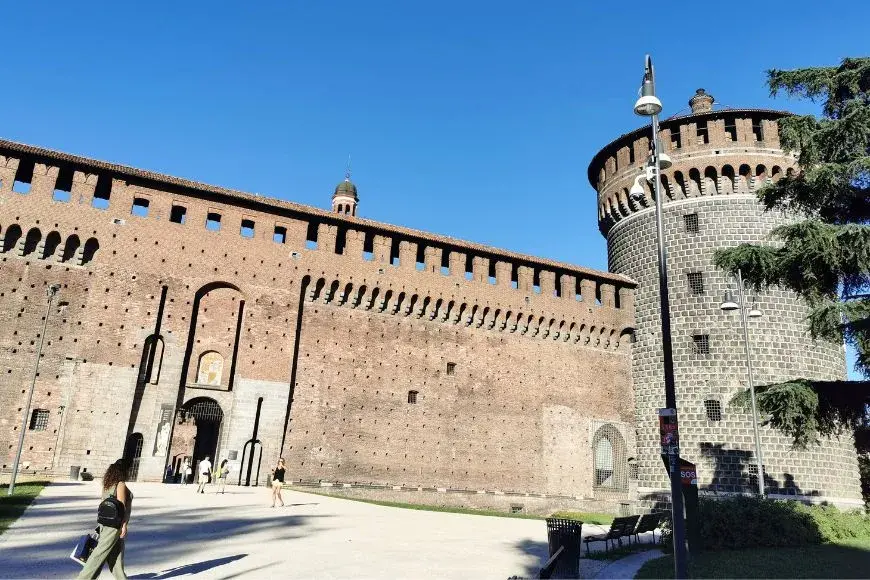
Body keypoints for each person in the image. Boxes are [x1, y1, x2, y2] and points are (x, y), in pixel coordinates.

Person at [78, 459, 132, 579]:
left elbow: (103, 502)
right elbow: (122, 506)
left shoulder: (108, 483)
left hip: (105, 522)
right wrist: (124, 525)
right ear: (124, 471)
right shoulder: (120, 484)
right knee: (99, 554)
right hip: (115, 525)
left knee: (116, 555)